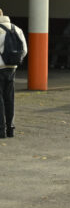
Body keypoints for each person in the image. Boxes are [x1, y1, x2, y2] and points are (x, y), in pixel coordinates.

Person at [0, 9, 27, 138]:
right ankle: (10, 128)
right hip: (12, 68)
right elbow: (24, 50)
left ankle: (1, 130)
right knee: (9, 98)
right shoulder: (17, 29)